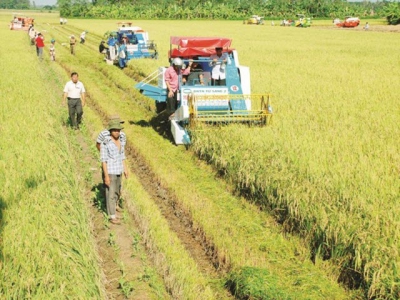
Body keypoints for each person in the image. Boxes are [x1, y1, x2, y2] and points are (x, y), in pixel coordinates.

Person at [100, 119, 129, 225]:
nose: (117, 132)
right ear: (111, 131)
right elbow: (104, 161)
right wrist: (106, 176)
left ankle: (115, 209)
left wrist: (125, 169)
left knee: (117, 191)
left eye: (119, 130)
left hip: (118, 170)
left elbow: (122, 156)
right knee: (110, 194)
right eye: (115, 130)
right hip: (111, 171)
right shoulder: (105, 143)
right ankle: (112, 216)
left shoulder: (121, 141)